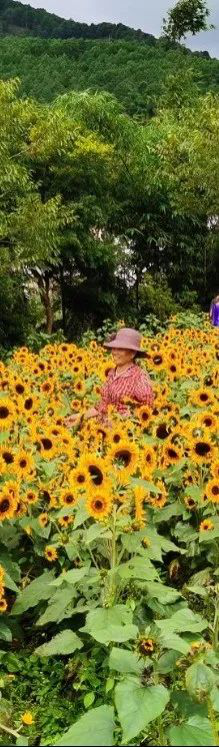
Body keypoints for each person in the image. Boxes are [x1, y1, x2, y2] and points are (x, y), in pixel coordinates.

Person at [65, 327, 154, 428]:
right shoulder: (112, 373)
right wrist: (80, 417)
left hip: (124, 436)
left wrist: (119, 421)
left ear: (132, 353)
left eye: (120, 349)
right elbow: (102, 406)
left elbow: (147, 411)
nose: (114, 352)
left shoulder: (139, 377)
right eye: (114, 348)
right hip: (101, 432)